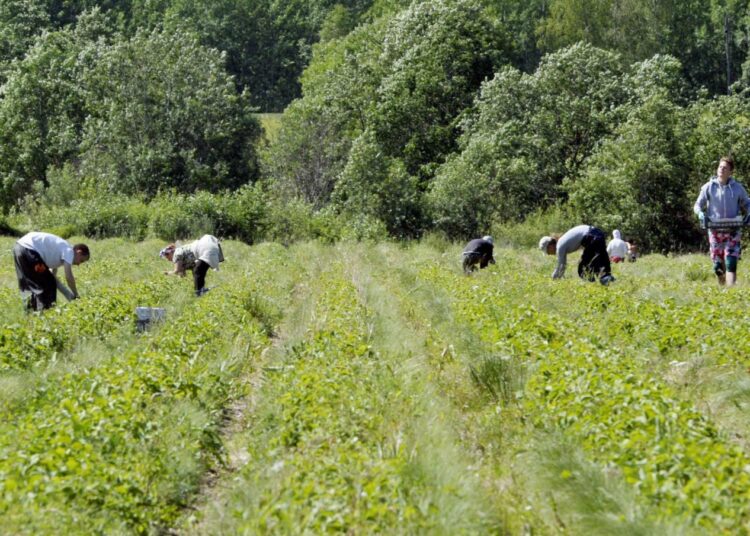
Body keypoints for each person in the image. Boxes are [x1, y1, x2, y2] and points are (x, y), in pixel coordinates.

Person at [694, 156, 750, 286]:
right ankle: (723, 289)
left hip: (733, 230)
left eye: (725, 168)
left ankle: (731, 291)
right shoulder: (708, 187)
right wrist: (700, 214)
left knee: (731, 262)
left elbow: (747, 203)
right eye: (720, 167)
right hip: (714, 230)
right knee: (718, 266)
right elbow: (697, 205)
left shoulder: (737, 188)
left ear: (731, 172)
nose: (721, 169)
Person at [13, 231, 90, 311]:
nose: (78, 264)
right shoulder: (69, 251)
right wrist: (76, 295)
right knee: (47, 283)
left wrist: (70, 296)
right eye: (81, 261)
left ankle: (30, 313)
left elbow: (53, 278)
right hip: (29, 249)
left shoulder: (59, 251)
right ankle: (47, 312)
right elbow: (69, 277)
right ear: (79, 252)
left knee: (29, 284)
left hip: (19, 248)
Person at [539, 225, 615, 285]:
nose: (549, 254)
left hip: (591, 237)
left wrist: (554, 279)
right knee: (600, 262)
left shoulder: (559, 246)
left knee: (583, 270)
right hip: (598, 233)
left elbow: (561, 266)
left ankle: (593, 286)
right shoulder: (562, 240)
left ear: (550, 245)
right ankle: (607, 279)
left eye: (548, 251)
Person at [160, 234, 224, 296]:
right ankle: (200, 292)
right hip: (208, 246)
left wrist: (167, 274)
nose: (167, 259)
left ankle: (199, 293)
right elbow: (182, 274)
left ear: (170, 253)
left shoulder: (176, 254)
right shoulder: (182, 256)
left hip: (205, 248)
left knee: (198, 270)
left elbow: (177, 270)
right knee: (198, 271)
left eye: (166, 256)